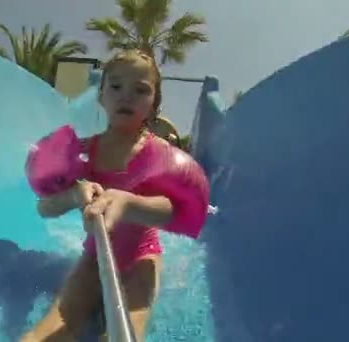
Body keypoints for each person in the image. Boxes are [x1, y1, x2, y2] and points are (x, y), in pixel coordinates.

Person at [21, 49, 208, 341]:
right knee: (52, 326)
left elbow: (175, 211)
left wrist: (129, 203)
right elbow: (44, 208)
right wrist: (73, 194)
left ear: (153, 104)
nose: (126, 96)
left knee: (127, 330)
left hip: (142, 258)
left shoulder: (159, 156)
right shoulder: (82, 153)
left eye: (140, 90)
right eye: (116, 86)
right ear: (101, 95)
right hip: (94, 257)